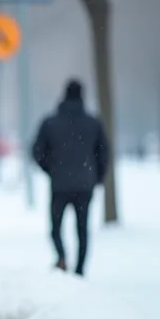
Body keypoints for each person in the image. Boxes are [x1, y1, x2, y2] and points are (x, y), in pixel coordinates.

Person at [31, 79, 110, 276]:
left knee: (55, 227)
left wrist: (51, 169)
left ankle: (61, 258)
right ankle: (80, 269)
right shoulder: (93, 123)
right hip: (85, 185)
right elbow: (104, 153)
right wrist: (96, 177)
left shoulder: (50, 122)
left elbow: (37, 151)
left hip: (59, 186)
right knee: (82, 229)